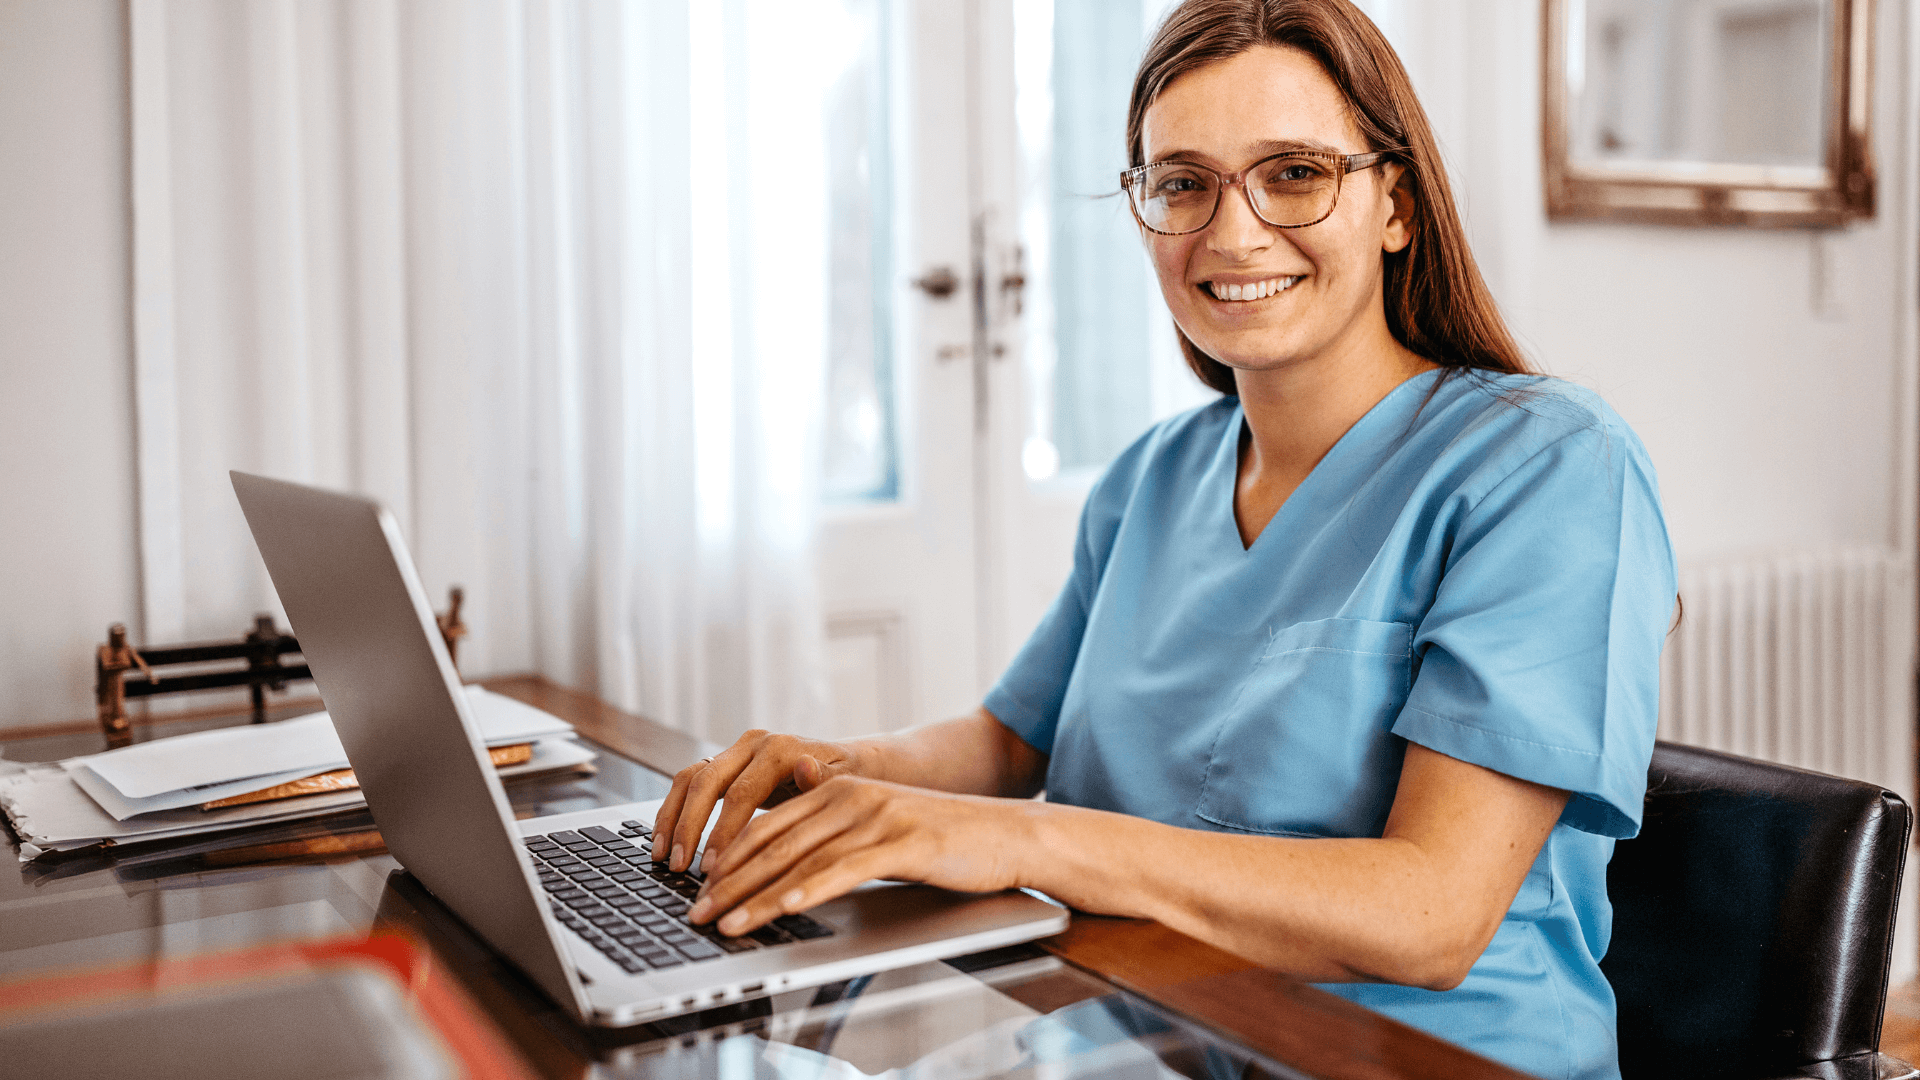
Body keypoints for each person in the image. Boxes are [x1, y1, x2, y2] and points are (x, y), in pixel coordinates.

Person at [659, 2, 1676, 1076]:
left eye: (1293, 173)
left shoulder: (1550, 466)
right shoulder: (1154, 475)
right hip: (1148, 1036)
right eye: (1184, 183)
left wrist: (1020, 840)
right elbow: (1013, 743)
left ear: (1398, 207)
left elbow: (1433, 912)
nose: (1232, 233)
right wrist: (842, 777)